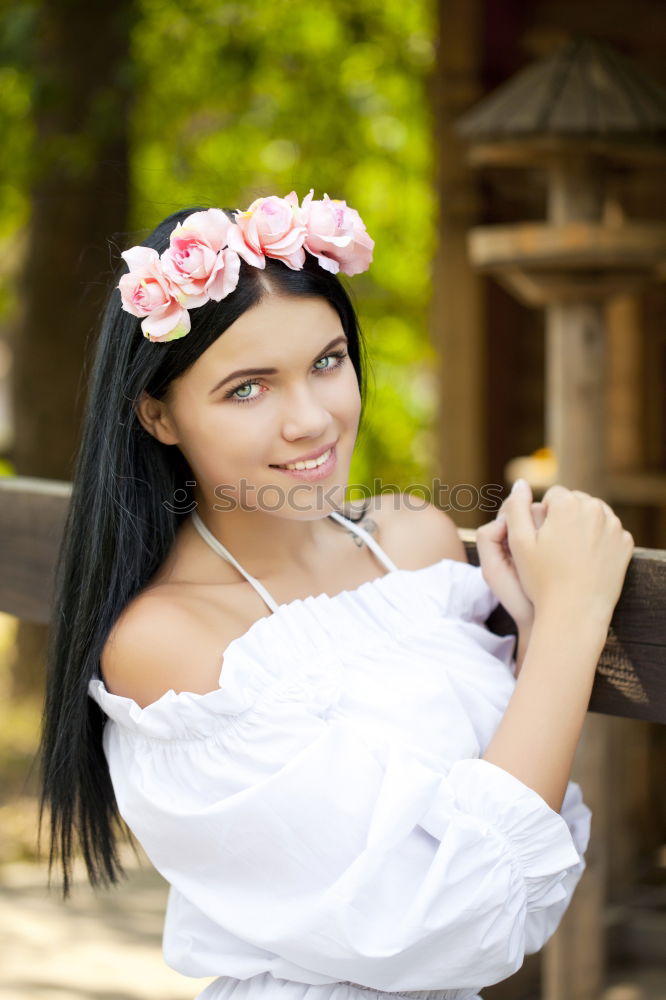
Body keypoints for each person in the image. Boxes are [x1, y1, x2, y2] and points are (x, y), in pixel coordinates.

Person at [39, 190, 634, 1000]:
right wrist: (572, 619)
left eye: (326, 362)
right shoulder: (173, 644)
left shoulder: (412, 545)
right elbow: (459, 919)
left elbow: (512, 824)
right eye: (248, 388)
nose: (312, 420)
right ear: (159, 416)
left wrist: (532, 628)